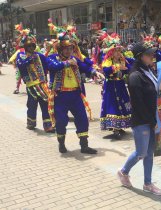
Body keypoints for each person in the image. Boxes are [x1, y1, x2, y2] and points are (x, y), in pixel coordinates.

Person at [47, 21, 105, 154]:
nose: (69, 51)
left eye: (71, 48)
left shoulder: (74, 59)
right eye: (66, 49)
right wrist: (67, 63)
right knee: (61, 121)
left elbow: (85, 67)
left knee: (83, 120)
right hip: (60, 96)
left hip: (75, 95)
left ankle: (84, 145)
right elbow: (52, 67)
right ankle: (61, 143)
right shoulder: (52, 58)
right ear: (60, 49)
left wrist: (95, 72)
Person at [117, 42, 161, 196]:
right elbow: (138, 103)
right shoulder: (135, 76)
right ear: (140, 57)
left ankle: (148, 183)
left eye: (152, 53)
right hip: (142, 121)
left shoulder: (148, 72)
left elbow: (155, 93)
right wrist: (150, 120)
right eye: (149, 54)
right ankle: (123, 172)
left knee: (150, 153)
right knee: (141, 152)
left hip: (151, 119)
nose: (152, 56)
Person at [15, 24, 55, 133]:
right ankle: (31, 123)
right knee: (32, 104)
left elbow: (48, 64)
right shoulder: (21, 55)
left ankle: (48, 125)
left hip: (42, 84)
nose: (31, 48)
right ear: (25, 46)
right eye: (29, 46)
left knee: (45, 103)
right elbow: (21, 65)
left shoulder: (39, 55)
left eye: (32, 46)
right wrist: (29, 59)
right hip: (31, 85)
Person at [100, 32, 133, 139]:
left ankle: (120, 126)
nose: (119, 53)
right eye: (116, 51)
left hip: (120, 84)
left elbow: (130, 66)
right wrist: (118, 67)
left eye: (119, 50)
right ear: (111, 52)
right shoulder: (107, 60)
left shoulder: (122, 59)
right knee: (112, 105)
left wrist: (130, 69)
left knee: (123, 104)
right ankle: (114, 128)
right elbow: (106, 70)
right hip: (111, 86)